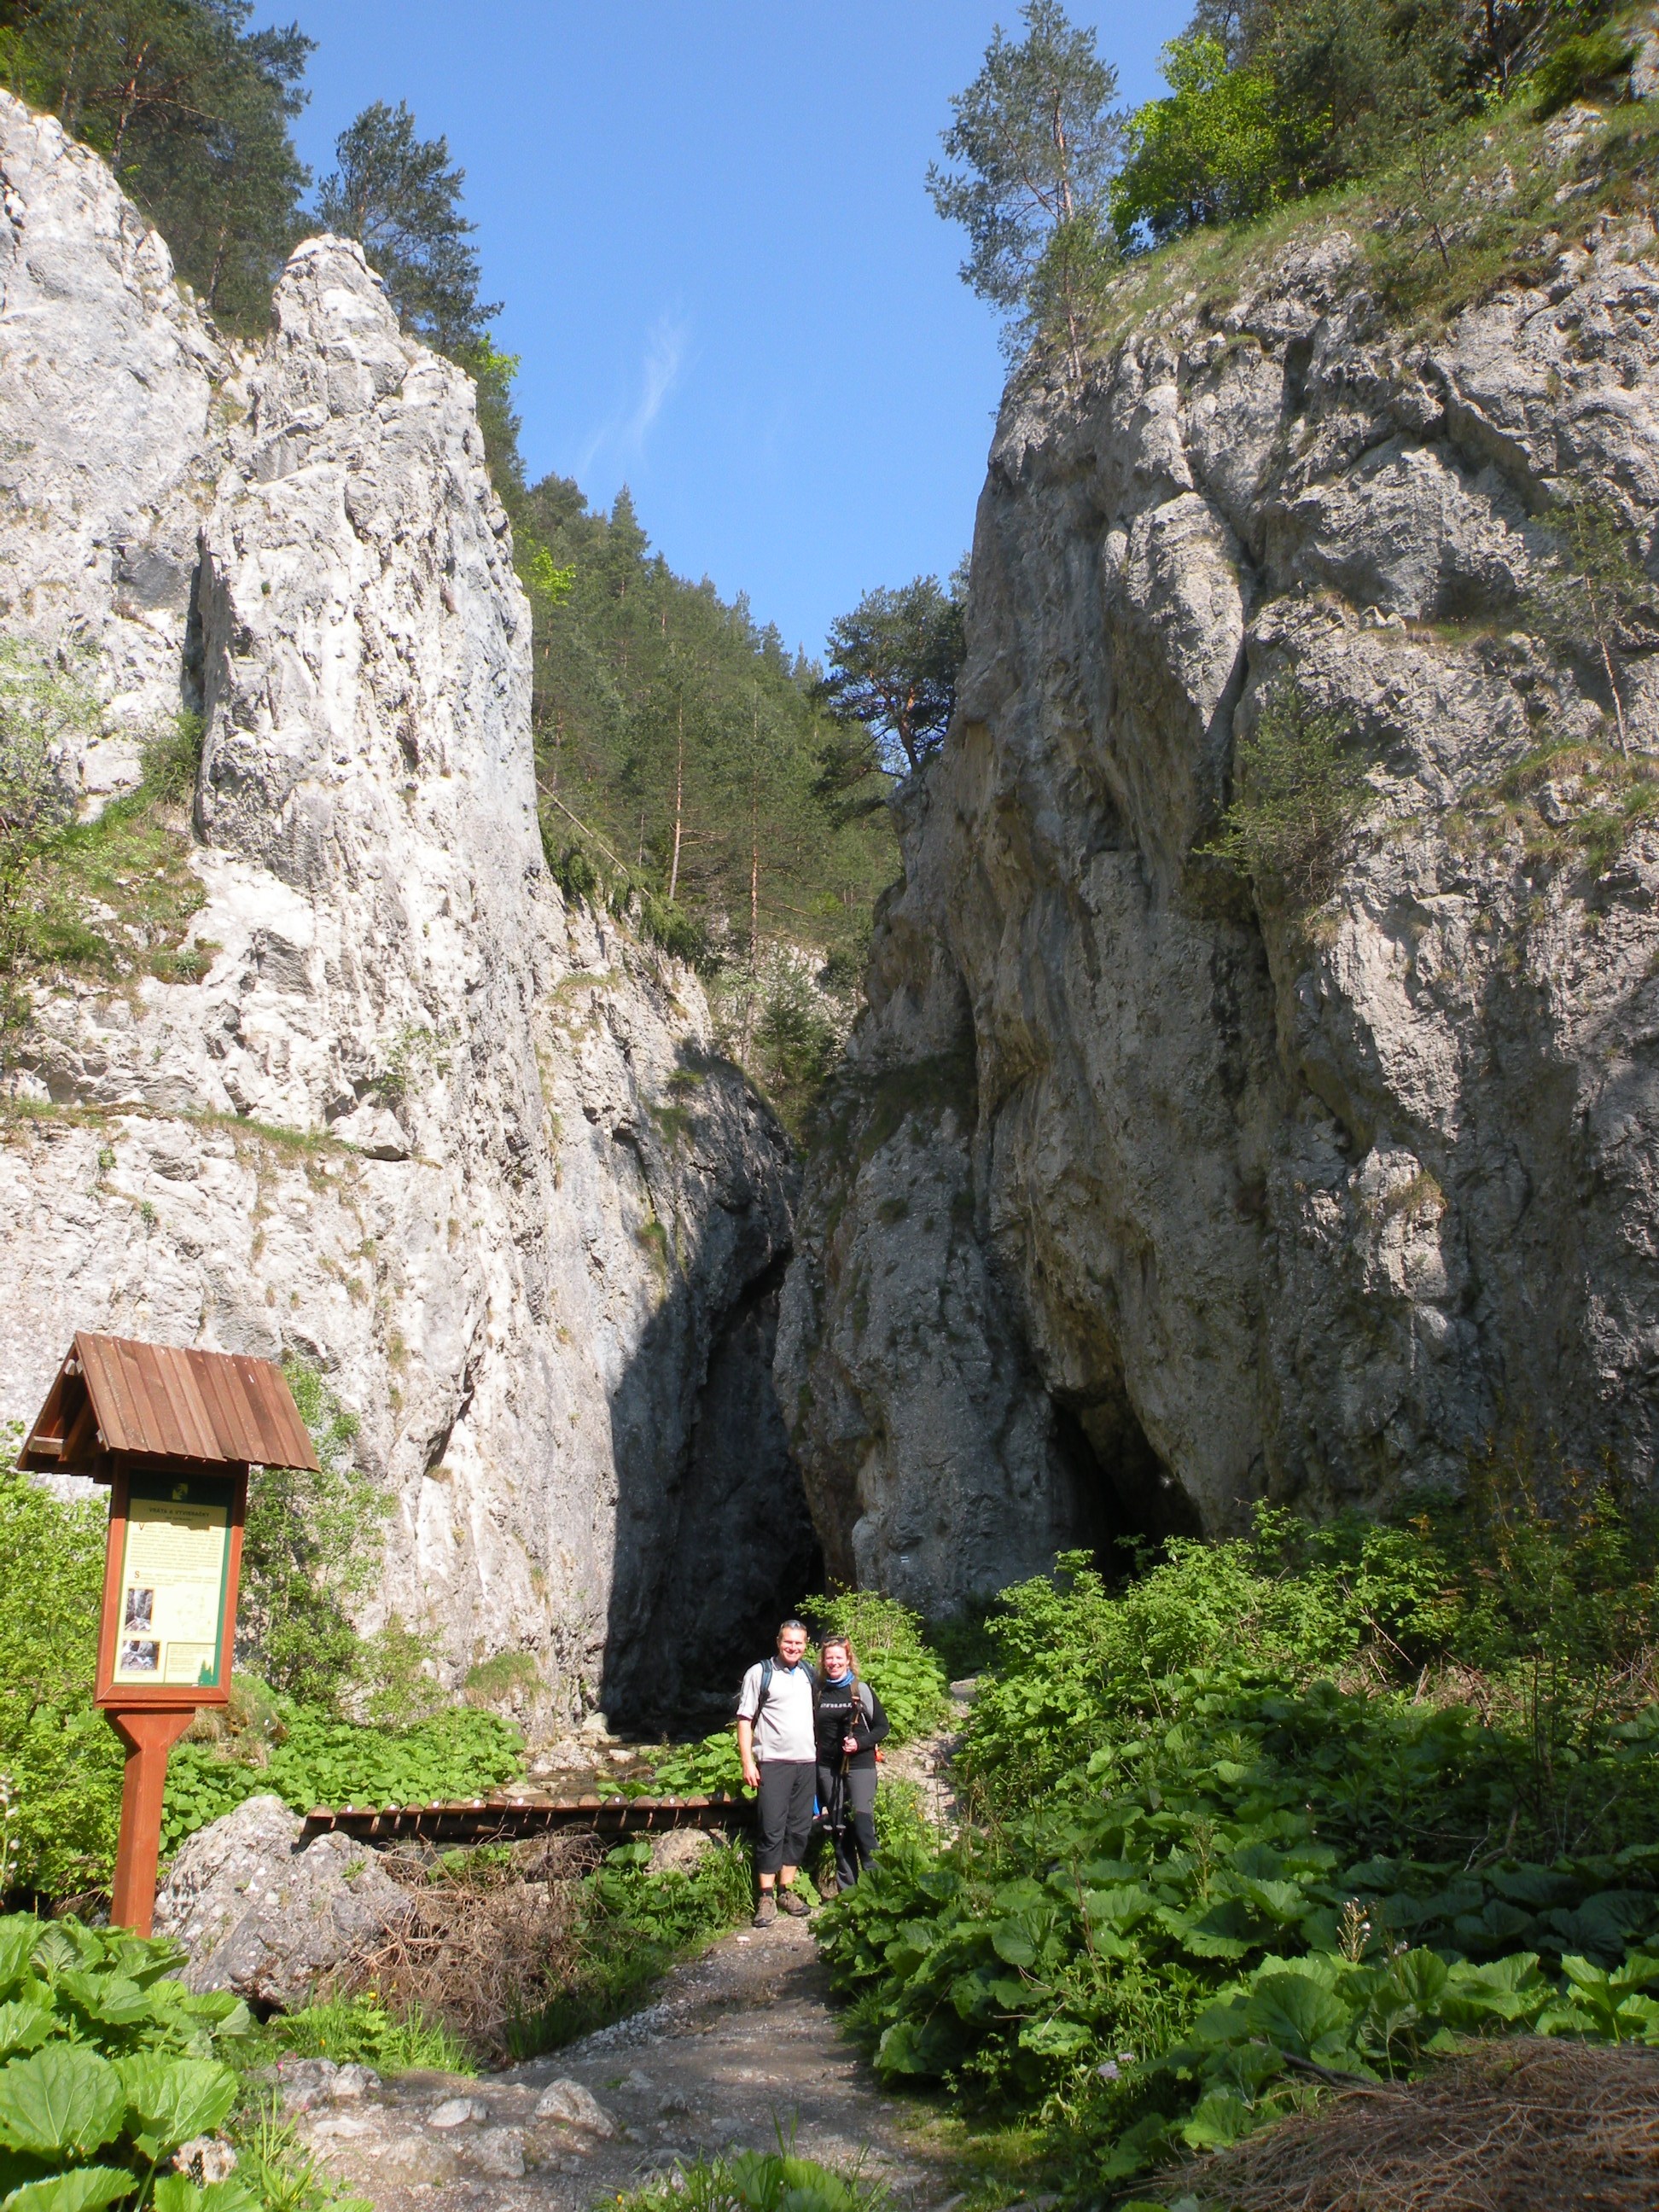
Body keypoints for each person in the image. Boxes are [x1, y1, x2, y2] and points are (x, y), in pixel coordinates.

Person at [736, 1618, 818, 1927]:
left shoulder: (809, 1673)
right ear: (778, 1642)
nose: (793, 1647)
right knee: (771, 1828)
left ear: (806, 1645)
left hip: (806, 1762)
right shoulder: (760, 1673)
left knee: (799, 1829)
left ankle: (786, 1890)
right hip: (773, 1762)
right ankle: (766, 1896)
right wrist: (748, 1761)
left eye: (798, 1643)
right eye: (788, 1642)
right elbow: (745, 1719)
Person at [812, 1634, 888, 1895]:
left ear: (848, 1660)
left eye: (838, 1658)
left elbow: (882, 1727)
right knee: (839, 1829)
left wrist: (860, 1743)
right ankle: (848, 1892)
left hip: (860, 1767)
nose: (834, 1662)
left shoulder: (860, 1690)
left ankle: (878, 1889)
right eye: (829, 1658)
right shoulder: (819, 1692)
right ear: (823, 1661)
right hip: (828, 1768)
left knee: (864, 1827)